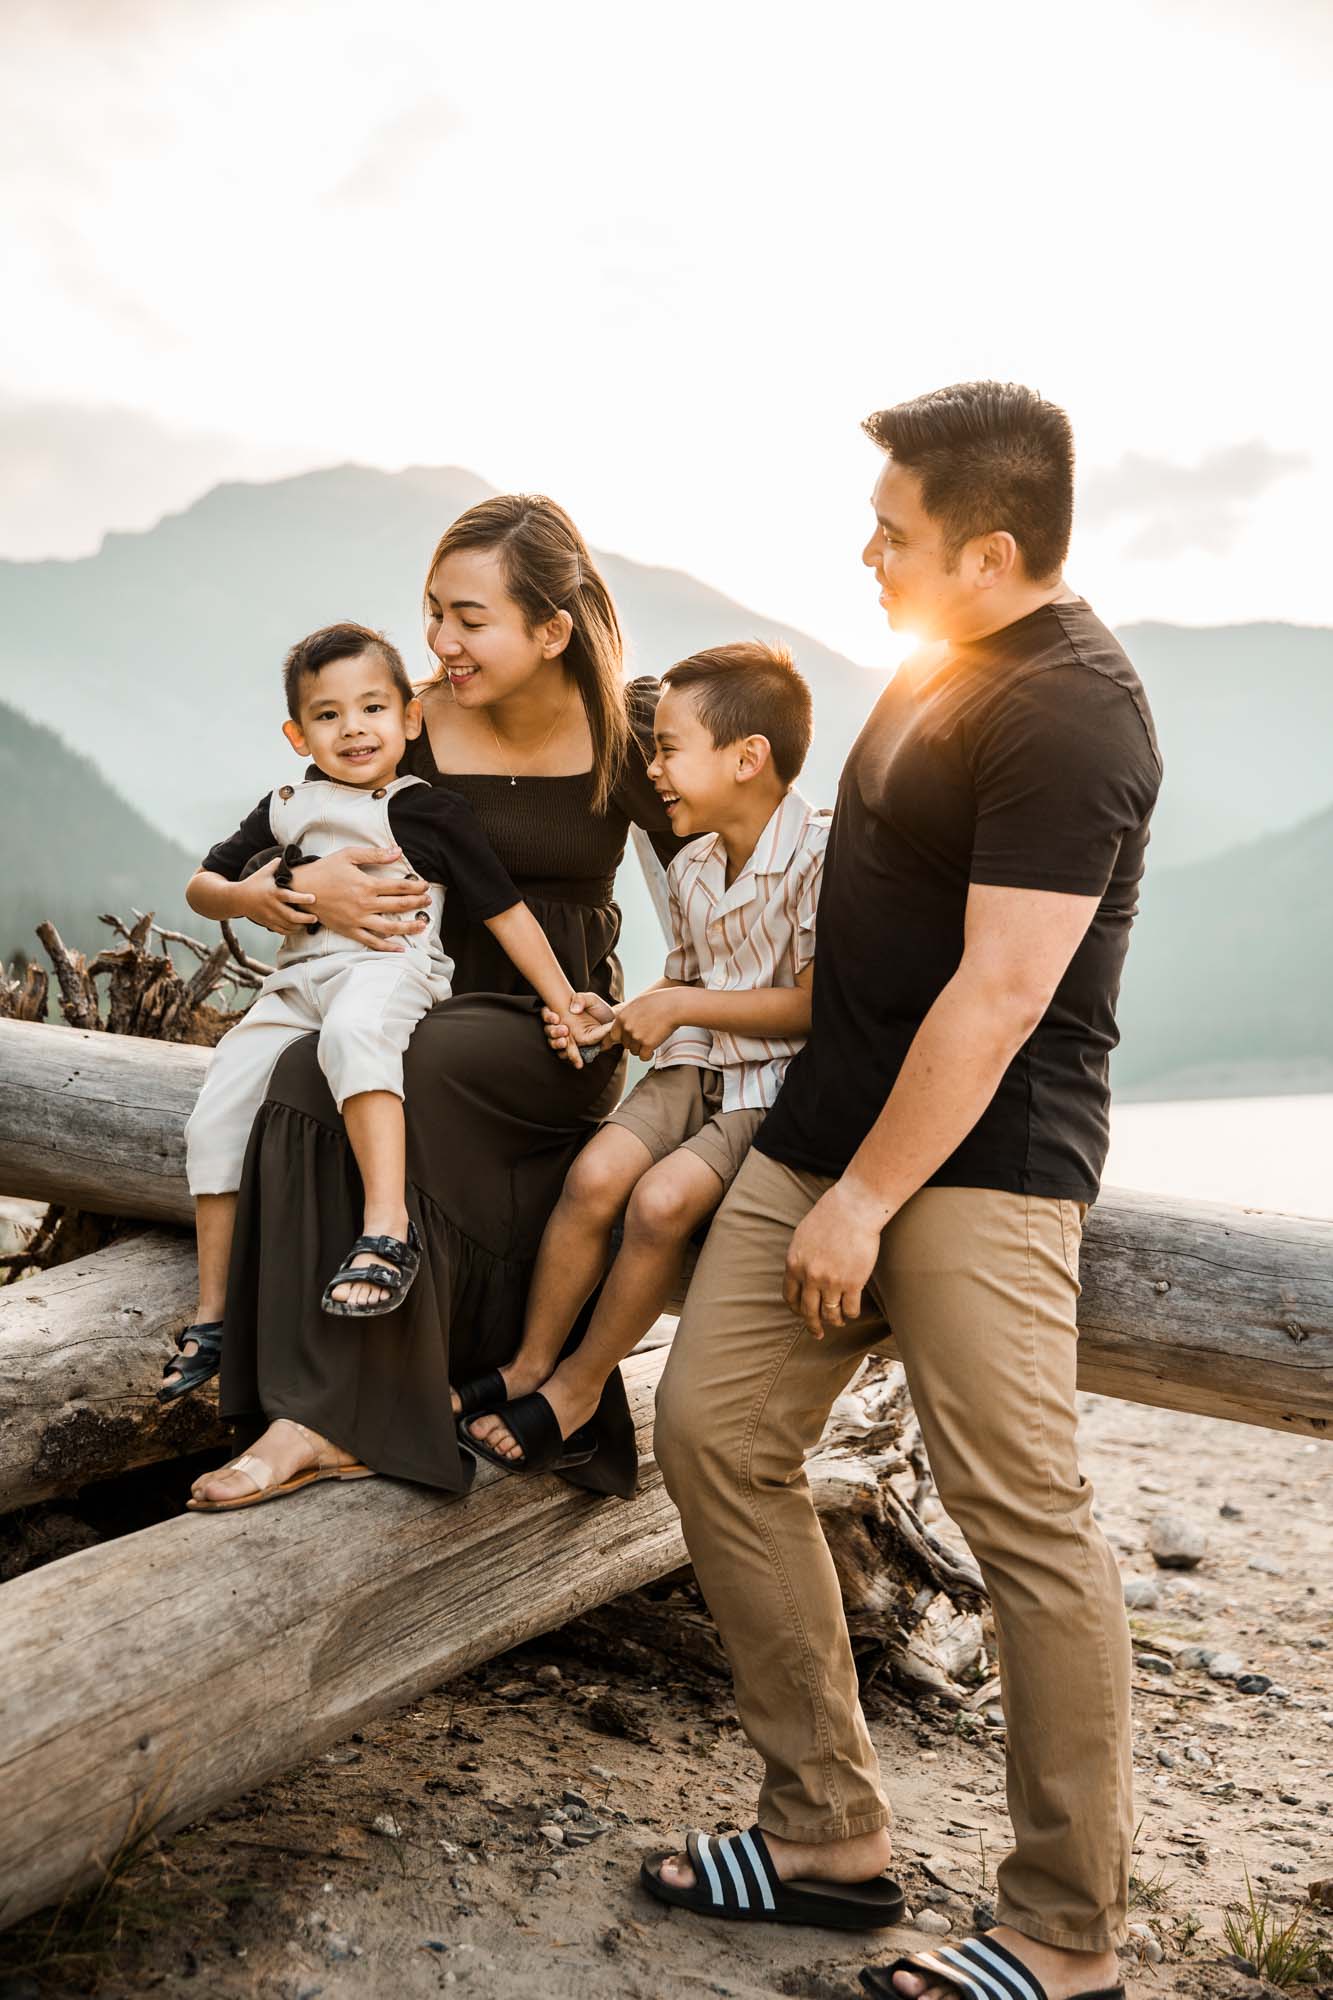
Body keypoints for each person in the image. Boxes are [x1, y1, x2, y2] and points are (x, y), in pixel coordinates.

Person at [643, 382, 1161, 2000]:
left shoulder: (1073, 714)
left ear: (988, 551)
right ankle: (824, 1837)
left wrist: (863, 1200)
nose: (864, 554)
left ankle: (1064, 1932)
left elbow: (1000, 994)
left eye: (892, 533)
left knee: (1024, 1524)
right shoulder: (943, 664)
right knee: (712, 1433)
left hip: (980, 1168)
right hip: (827, 1135)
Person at [187, 494, 684, 1510]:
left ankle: (339, 1417)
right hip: (412, 988)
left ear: (551, 630)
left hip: (552, 1025)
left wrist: (658, 1014)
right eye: (433, 611)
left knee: (398, 1065)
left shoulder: (628, 730)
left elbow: (721, 885)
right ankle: (302, 1401)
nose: (440, 640)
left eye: (469, 618)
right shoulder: (404, 720)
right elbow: (289, 839)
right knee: (301, 1067)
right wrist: (302, 891)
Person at [166, 623, 592, 1444]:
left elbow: (503, 910)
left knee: (355, 1035)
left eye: (372, 708)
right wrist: (250, 898)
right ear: (297, 735)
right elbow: (202, 884)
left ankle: (386, 1227)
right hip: (296, 981)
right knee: (218, 1105)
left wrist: (565, 1000)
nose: (353, 728)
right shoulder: (283, 806)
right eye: (327, 715)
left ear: (409, 718)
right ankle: (213, 1311)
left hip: (389, 969)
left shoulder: (430, 811)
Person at [458, 641, 829, 1476]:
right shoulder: (693, 864)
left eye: (665, 750)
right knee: (593, 1178)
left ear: (746, 758)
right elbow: (686, 978)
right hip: (692, 1062)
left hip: (770, 1085)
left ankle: (579, 1387)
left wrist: (678, 1006)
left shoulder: (821, 855)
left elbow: (814, 1007)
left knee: (660, 1203)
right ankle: (528, 1364)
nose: (650, 770)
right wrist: (617, 1017)